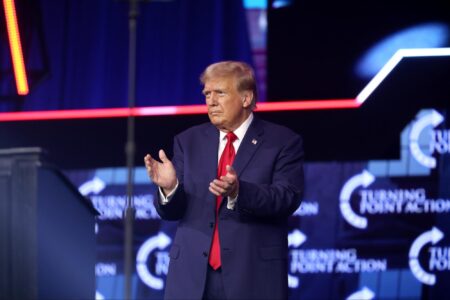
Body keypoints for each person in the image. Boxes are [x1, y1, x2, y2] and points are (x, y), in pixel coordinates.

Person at [144, 61, 304, 300]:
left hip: (253, 277)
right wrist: (170, 189)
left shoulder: (282, 141)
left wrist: (240, 192)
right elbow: (172, 212)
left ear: (246, 98)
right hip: (192, 278)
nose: (211, 101)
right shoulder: (188, 141)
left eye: (220, 92)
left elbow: (287, 197)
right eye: (207, 94)